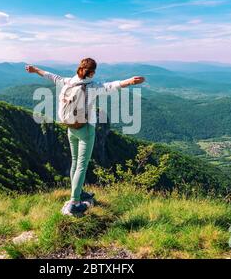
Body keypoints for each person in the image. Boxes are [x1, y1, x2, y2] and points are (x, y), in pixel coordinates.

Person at [25, 58, 145, 215]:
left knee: (75, 162)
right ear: (92, 72)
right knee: (82, 164)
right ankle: (74, 203)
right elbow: (111, 86)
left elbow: (51, 76)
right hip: (86, 129)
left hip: (70, 127)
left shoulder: (67, 82)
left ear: (79, 69)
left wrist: (35, 70)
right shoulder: (92, 87)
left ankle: (78, 192)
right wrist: (129, 81)